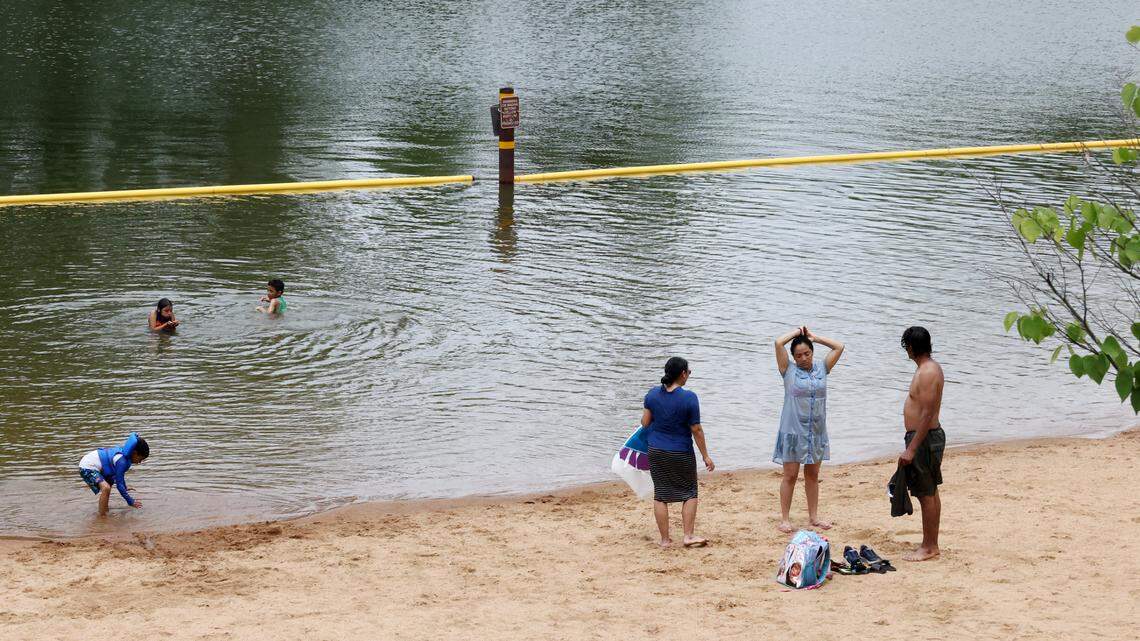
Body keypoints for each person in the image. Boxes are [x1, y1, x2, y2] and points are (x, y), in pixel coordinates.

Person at [773, 326, 845, 533]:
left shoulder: (822, 368)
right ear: (793, 357)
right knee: (790, 475)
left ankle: (813, 517)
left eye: (807, 353)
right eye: (799, 355)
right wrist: (796, 333)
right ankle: (785, 519)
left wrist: (816, 338)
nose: (803, 358)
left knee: (813, 474)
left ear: (812, 352)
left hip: (816, 431)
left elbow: (839, 347)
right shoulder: (788, 370)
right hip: (793, 431)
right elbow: (778, 343)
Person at [640, 356, 714, 549]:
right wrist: (706, 455)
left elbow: (645, 423)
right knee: (690, 492)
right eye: (689, 372)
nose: (689, 375)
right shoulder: (689, 398)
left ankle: (665, 540)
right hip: (680, 452)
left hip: (656, 450)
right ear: (682, 374)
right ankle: (688, 535)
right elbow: (696, 429)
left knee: (660, 494)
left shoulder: (652, 395)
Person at [898, 326, 945, 561]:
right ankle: (930, 544)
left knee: (926, 493)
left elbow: (927, 413)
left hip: (924, 439)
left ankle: (929, 546)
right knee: (930, 491)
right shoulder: (929, 368)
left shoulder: (927, 372)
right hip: (925, 437)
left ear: (912, 347)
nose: (906, 350)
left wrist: (912, 447)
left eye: (906, 346)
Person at [78, 433, 149, 516]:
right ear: (134, 453)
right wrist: (130, 501)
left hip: (95, 466)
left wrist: (124, 487)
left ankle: (104, 511)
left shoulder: (125, 458)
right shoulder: (122, 461)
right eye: (140, 459)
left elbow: (119, 478)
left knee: (109, 484)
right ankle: (102, 518)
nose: (139, 462)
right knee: (106, 488)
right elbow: (119, 485)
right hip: (87, 466)